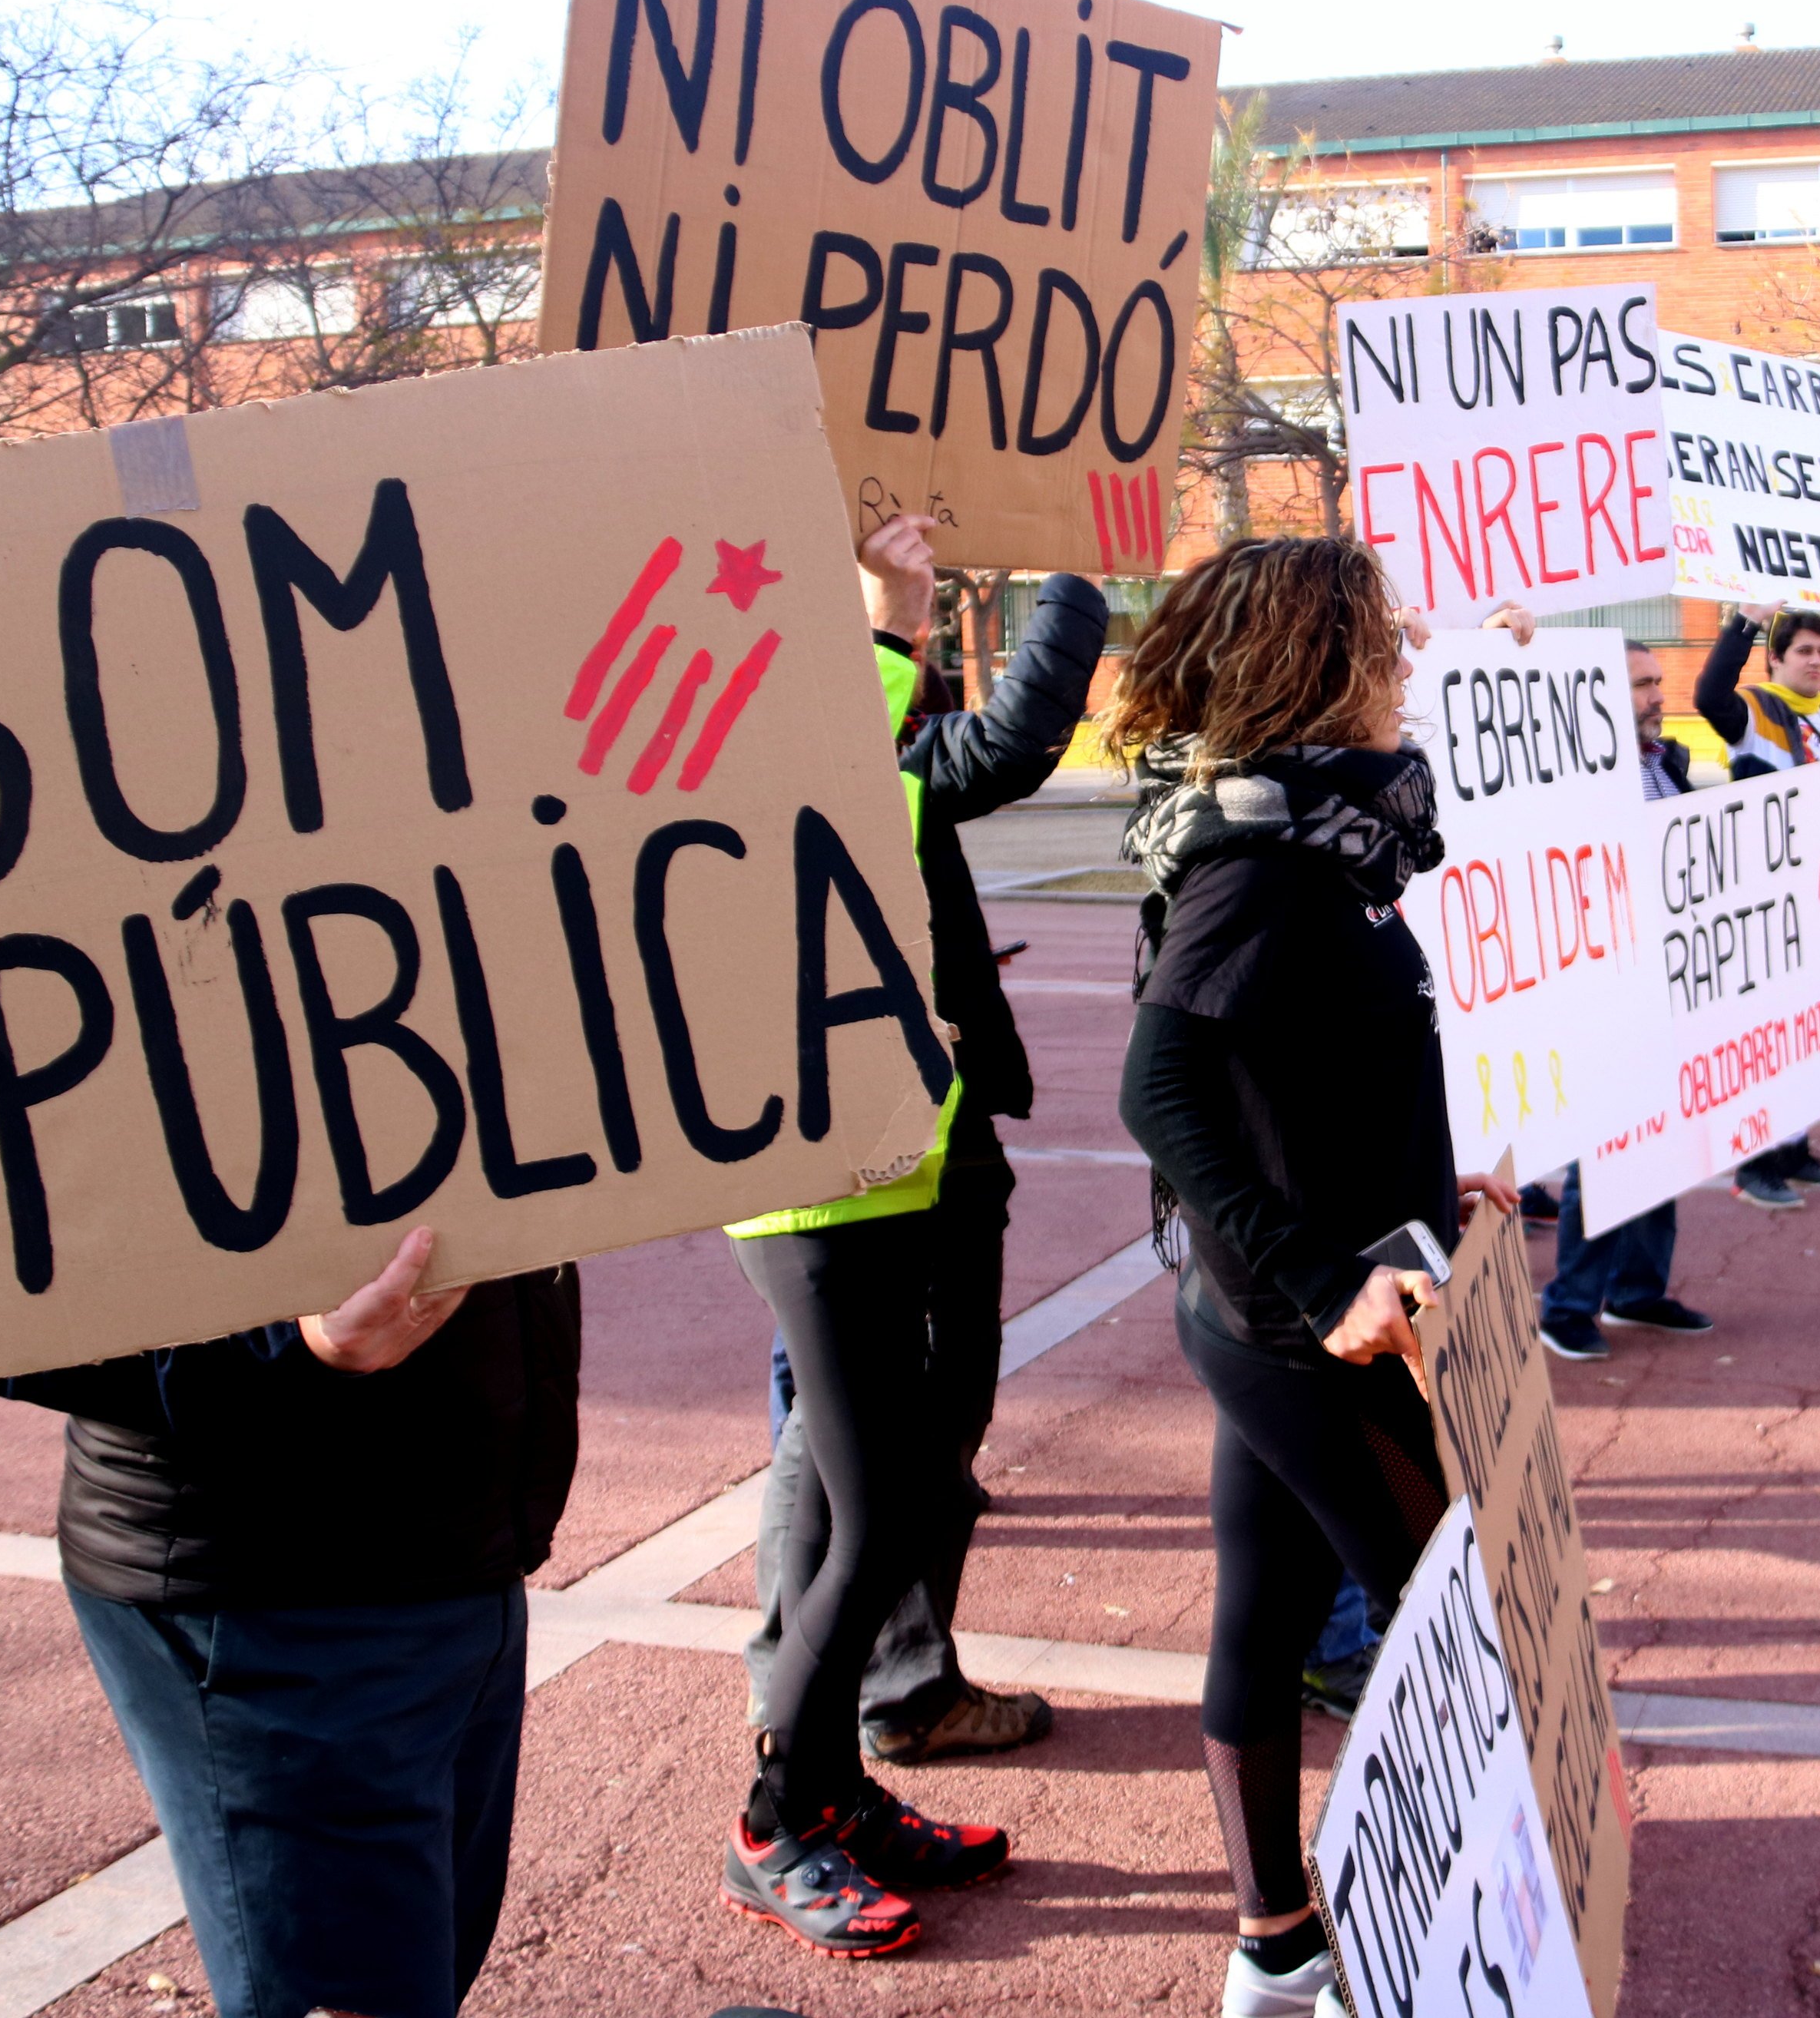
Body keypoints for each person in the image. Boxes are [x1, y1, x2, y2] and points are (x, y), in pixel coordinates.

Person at [1109, 534, 1511, 2018]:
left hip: (1300, 1307)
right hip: (1307, 1333)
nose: (1405, 662)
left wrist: (1426, 1187)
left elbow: (1311, 1071)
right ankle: (1441, 1958)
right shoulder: (1265, 863)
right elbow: (1161, 1091)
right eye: (1381, 641)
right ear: (1319, 664)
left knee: (1267, 1614)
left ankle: (1276, 1950)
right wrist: (1324, 1275)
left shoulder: (1333, 842)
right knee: (1449, 1626)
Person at [716, 518, 1107, 1957]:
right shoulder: (754, 755)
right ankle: (774, 1821)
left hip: (906, 1162)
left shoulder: (848, 741)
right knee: (873, 1509)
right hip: (810, 1182)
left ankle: (835, 1790)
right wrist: (894, 620)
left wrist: (897, 613)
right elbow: (856, 768)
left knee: (894, 1494)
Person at [0, 1232, 580, 2018]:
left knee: (416, 1970)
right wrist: (289, 1350)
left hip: (462, 1555)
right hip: (270, 1597)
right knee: (362, 1989)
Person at [1536, 640, 1707, 1361]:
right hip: (1606, 990)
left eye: (1658, 682)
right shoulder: (1575, 780)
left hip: (1670, 984)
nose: (1658, 696)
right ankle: (1570, 1306)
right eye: (1642, 685)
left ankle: (1637, 1288)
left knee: (1664, 1140)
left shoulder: (1666, 765)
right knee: (1605, 1151)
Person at [1691, 605, 1820, 1207]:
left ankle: (1793, 1148)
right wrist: (1744, 622)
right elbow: (1709, 697)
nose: (1816, 661)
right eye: (1803, 651)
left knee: (1807, 1030)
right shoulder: (1755, 714)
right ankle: (1754, 1163)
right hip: (1768, 906)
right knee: (1764, 1032)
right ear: (1775, 658)